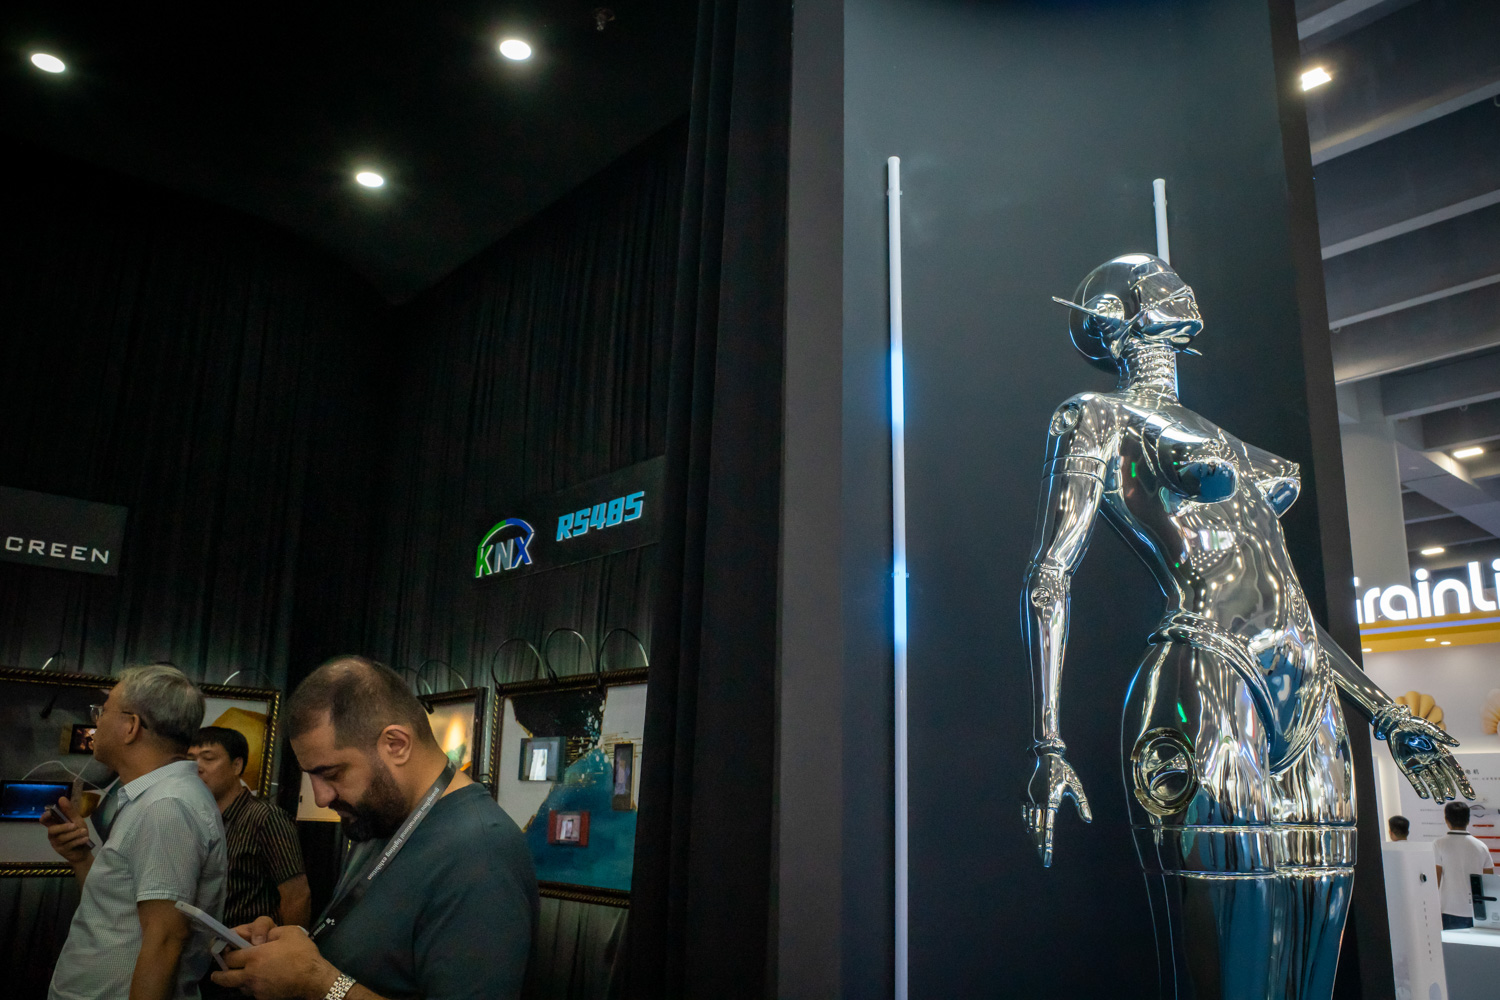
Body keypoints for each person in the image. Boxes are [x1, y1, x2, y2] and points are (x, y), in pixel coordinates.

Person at [1022, 254, 1472, 1000]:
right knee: (1232, 949)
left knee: (1316, 940)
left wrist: (1386, 713)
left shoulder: (1220, 434)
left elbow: (1287, 606)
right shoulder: (1095, 415)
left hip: (1307, 692)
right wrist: (1048, 741)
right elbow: (1050, 572)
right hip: (1208, 676)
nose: (1174, 284)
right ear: (1114, 313)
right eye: (1152, 280)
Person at [214, 656, 537, 1000]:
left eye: (332, 774)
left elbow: (327, 981)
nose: (321, 798)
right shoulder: (380, 818)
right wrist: (288, 949)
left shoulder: (482, 854)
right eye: (311, 776)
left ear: (396, 745)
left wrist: (318, 983)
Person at [42, 664, 227, 1000]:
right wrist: (81, 857)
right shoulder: (152, 797)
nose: (96, 722)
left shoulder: (166, 806)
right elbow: (117, 912)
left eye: (103, 711)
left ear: (131, 726)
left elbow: (165, 940)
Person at [190, 726, 310, 928]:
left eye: (208, 758)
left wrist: (288, 942)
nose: (197, 767)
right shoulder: (197, 819)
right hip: (208, 944)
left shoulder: (266, 818)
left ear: (237, 765)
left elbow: (297, 895)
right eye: (191, 760)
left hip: (253, 942)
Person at [1435, 800, 1493, 930]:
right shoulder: (1481, 846)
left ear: (1446, 820)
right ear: (1468, 820)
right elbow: (1489, 881)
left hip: (1449, 908)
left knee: (1450, 943)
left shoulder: (1439, 844)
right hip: (1478, 910)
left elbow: (1435, 880)